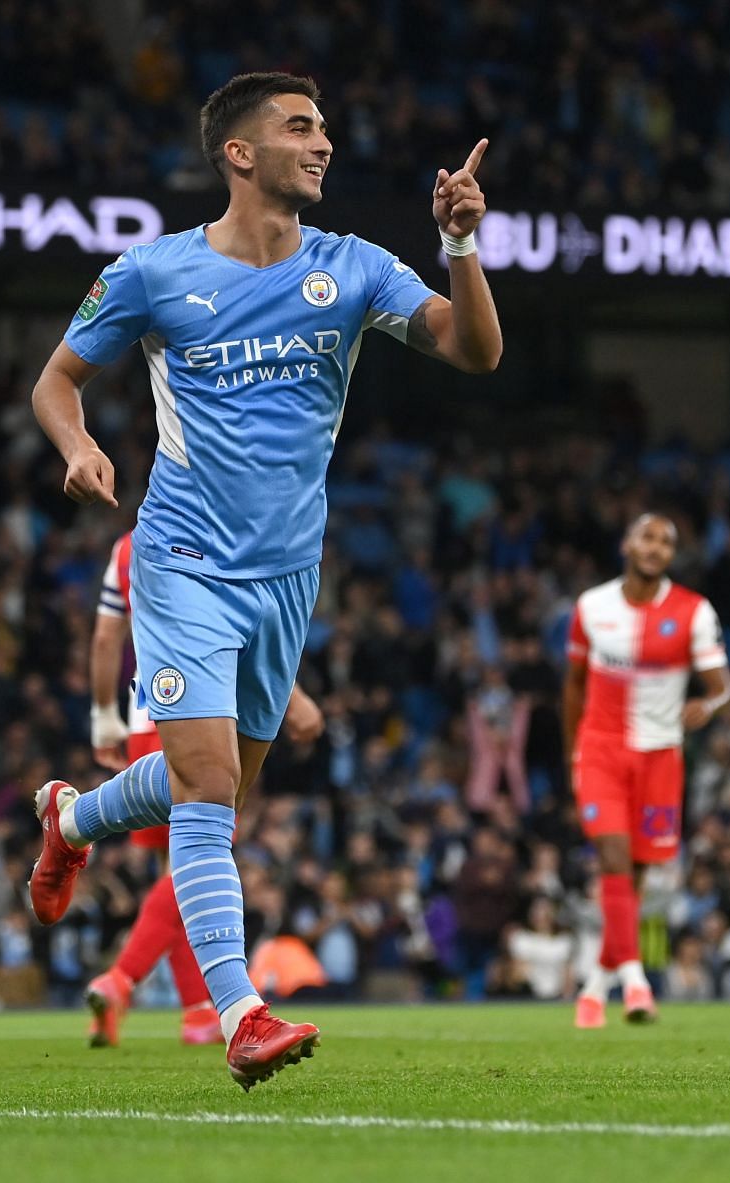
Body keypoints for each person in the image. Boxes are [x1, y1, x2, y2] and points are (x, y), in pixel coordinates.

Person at [26, 71, 501, 1089]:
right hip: (183, 554)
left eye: (325, 125)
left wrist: (461, 246)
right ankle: (240, 1012)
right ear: (239, 153)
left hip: (286, 574)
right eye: (300, 127)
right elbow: (55, 380)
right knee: (206, 787)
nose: (323, 141)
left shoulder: (357, 267)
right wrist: (76, 445)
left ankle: (69, 820)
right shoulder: (155, 273)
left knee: (218, 791)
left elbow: (474, 349)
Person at [83, 530, 322, 1048]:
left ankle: (198, 1011)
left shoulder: (126, 547)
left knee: (178, 869)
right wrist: (293, 695)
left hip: (146, 712)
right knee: (203, 852)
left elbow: (106, 637)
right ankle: (121, 978)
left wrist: (104, 716)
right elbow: (244, 624)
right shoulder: (219, 527)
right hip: (203, 714)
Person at [563, 513, 730, 1028]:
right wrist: (574, 753)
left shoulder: (693, 612)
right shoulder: (592, 607)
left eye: (666, 541)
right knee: (613, 858)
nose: (656, 547)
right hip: (602, 752)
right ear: (627, 543)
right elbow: (572, 685)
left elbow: (722, 684)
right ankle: (637, 986)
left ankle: (594, 989)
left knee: (632, 879)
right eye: (647, 536)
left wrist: (710, 705)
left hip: (660, 756)